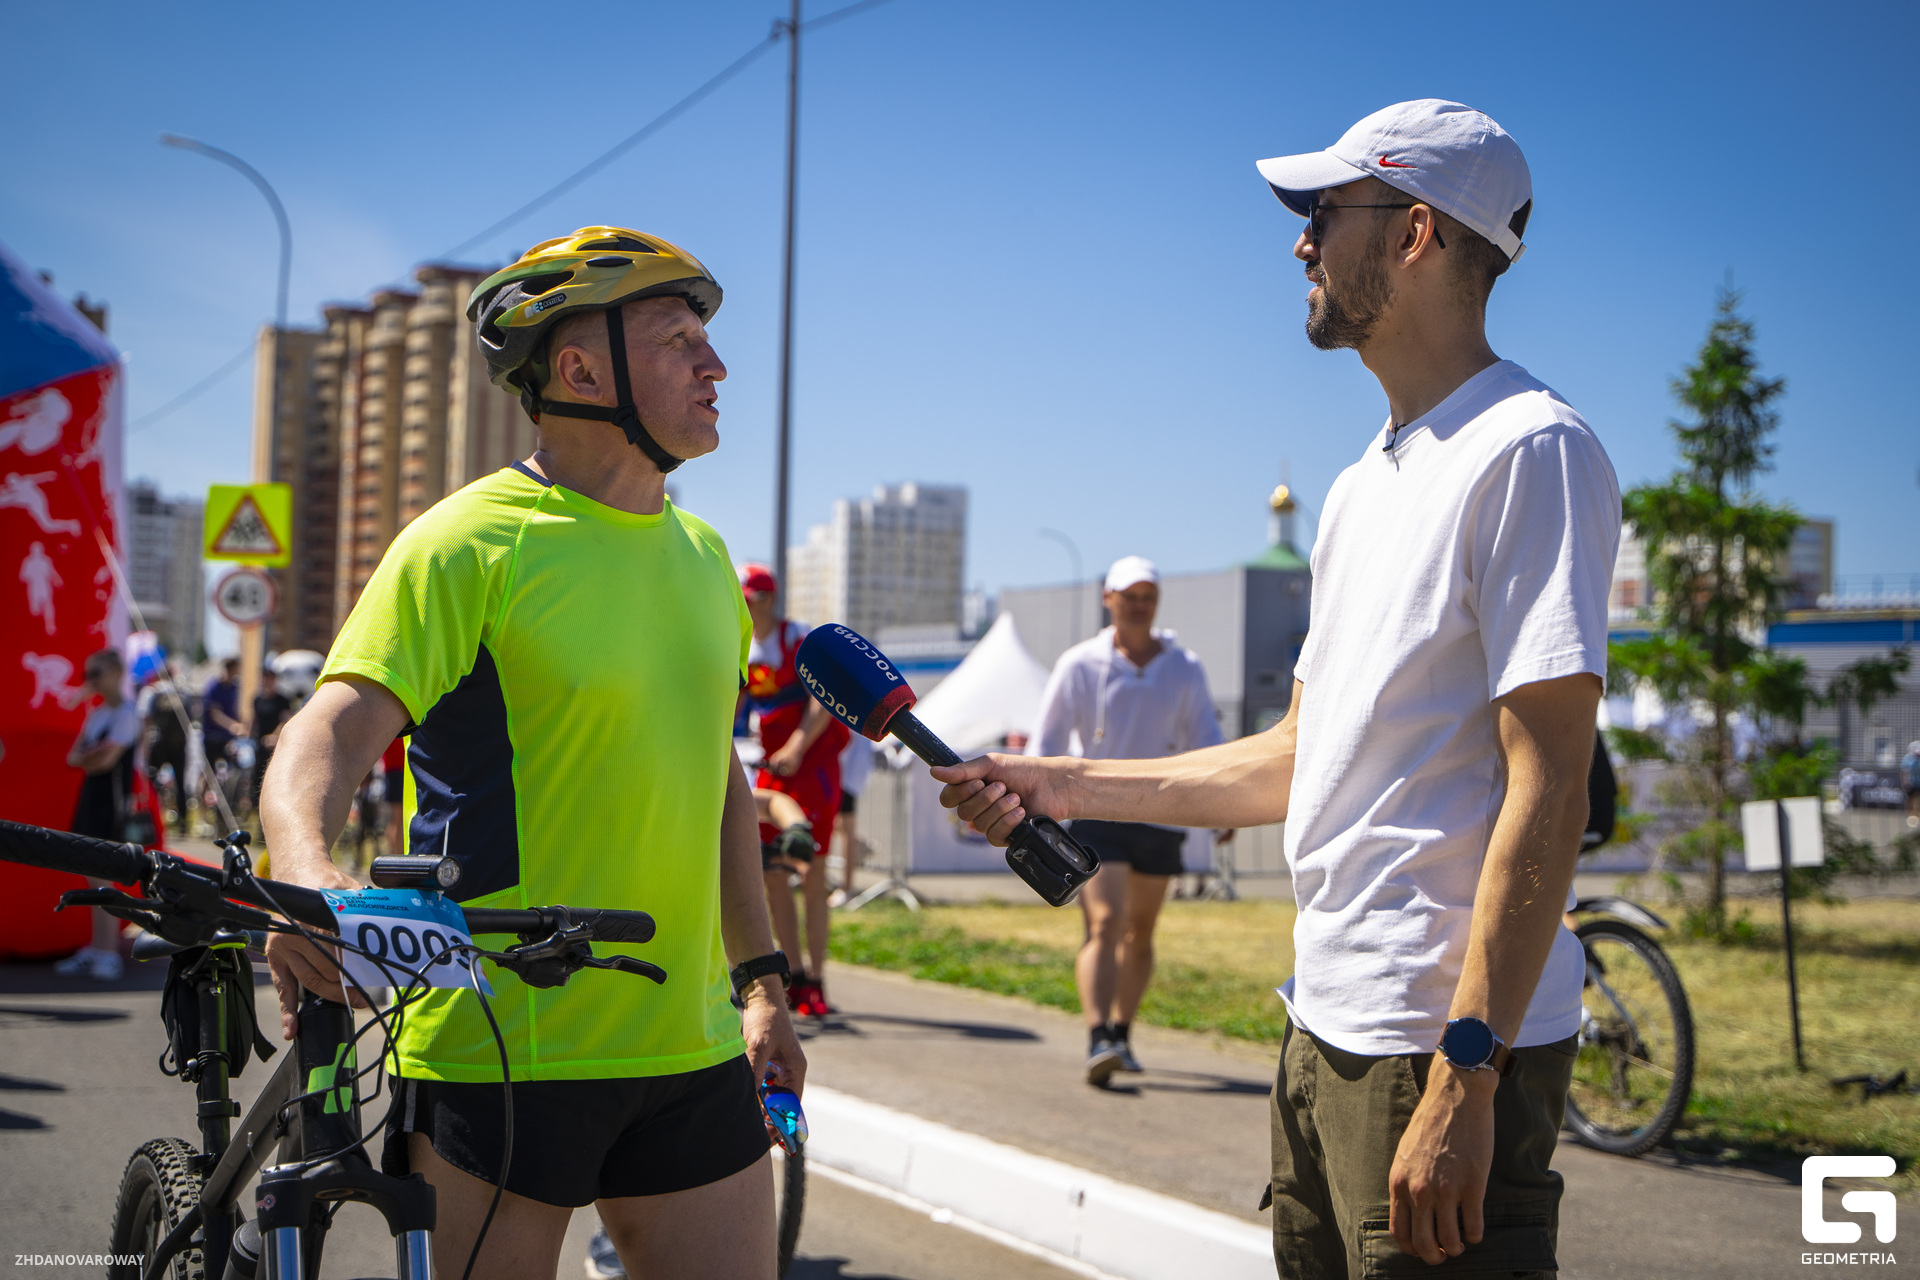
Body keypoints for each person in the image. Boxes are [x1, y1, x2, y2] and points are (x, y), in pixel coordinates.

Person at [935, 101, 1615, 1278]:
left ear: (1413, 232)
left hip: (1435, 1047)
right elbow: (1296, 755)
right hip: (1322, 1026)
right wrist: (1056, 782)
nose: (1301, 241)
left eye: (1322, 211)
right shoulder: (1360, 487)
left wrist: (1467, 1071)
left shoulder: (1530, 450)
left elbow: (1548, 786)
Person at [259, 225, 805, 1280]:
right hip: (500, 1044)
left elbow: (719, 779)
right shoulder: (468, 541)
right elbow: (326, 731)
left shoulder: (704, 559)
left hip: (687, 1045)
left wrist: (763, 981)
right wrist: (305, 870)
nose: (716, 365)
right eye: (679, 339)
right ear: (582, 370)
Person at [1028, 555, 1229, 1085]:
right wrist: (1034, 806)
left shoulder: (1183, 665)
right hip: (1095, 810)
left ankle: (1121, 1033)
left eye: (1148, 597)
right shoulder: (1079, 663)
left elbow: (1206, 736)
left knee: (1141, 930)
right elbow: (1047, 739)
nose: (1139, 606)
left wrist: (1222, 803)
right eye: (1129, 596)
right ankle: (1098, 1036)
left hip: (1163, 811)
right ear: (1108, 599)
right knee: (1105, 921)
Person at [738, 563, 850, 1018]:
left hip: (812, 768)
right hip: (773, 767)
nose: (744, 606)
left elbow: (826, 697)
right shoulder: (741, 643)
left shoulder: (797, 639)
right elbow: (737, 701)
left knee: (812, 870)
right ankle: (794, 976)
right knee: (770, 872)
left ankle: (817, 981)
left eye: (750, 599)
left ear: (767, 599)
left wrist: (797, 746)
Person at [55, 648, 141, 981]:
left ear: (117, 673)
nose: (91, 681)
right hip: (92, 798)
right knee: (92, 875)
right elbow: (73, 757)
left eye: (97, 673)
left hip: (112, 803)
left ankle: (107, 952)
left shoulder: (127, 713)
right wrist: (93, 755)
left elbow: (105, 760)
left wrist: (91, 756)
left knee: (103, 876)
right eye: (88, 674)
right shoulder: (98, 713)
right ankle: (97, 947)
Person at [247, 660, 292, 813]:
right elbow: (254, 720)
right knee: (256, 776)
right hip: (259, 744)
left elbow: (286, 720)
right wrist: (247, 735)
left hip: (275, 745)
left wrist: (274, 736)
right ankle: (254, 809)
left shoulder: (282, 701)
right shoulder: (258, 700)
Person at [1902, 739, 1920, 829]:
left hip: (1918, 783)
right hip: (1911, 783)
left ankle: (1915, 815)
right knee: (1910, 799)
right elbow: (1904, 771)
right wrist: (1905, 782)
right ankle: (1909, 814)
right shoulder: (1907, 759)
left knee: (1918, 799)